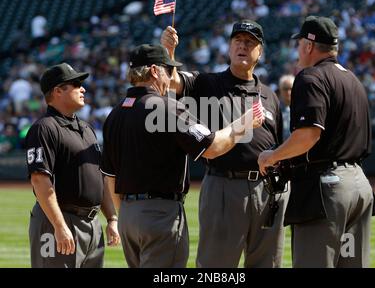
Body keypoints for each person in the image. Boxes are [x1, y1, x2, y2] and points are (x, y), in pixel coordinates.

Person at [100, 44, 263, 268]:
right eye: (169, 70)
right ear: (155, 71)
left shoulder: (115, 113)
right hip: (160, 215)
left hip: (128, 215)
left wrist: (127, 214)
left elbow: (109, 175)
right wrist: (243, 123)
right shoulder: (166, 108)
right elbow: (212, 146)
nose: (170, 78)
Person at [258, 16, 375, 268]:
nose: (298, 50)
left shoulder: (310, 77)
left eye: (299, 44)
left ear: (309, 45)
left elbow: (308, 135)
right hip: (359, 185)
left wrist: (272, 156)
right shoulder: (353, 80)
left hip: (327, 189)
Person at [161, 20, 287, 268]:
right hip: (224, 185)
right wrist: (169, 51)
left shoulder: (270, 96)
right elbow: (172, 82)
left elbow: (278, 144)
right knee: (215, 267)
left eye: (250, 42)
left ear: (260, 52)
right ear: (229, 48)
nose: (243, 46)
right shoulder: (209, 83)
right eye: (237, 41)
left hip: (267, 190)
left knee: (268, 264)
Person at [25, 63, 120, 268]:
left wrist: (111, 218)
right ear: (58, 91)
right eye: (76, 84)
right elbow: (39, 179)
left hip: (92, 224)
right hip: (58, 221)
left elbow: (99, 176)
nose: (83, 88)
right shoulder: (44, 128)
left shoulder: (86, 129)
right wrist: (59, 226)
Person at [278, 74, 295, 141]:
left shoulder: (302, 108)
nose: (288, 92)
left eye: (291, 88)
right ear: (280, 90)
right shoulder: (276, 109)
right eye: (285, 89)